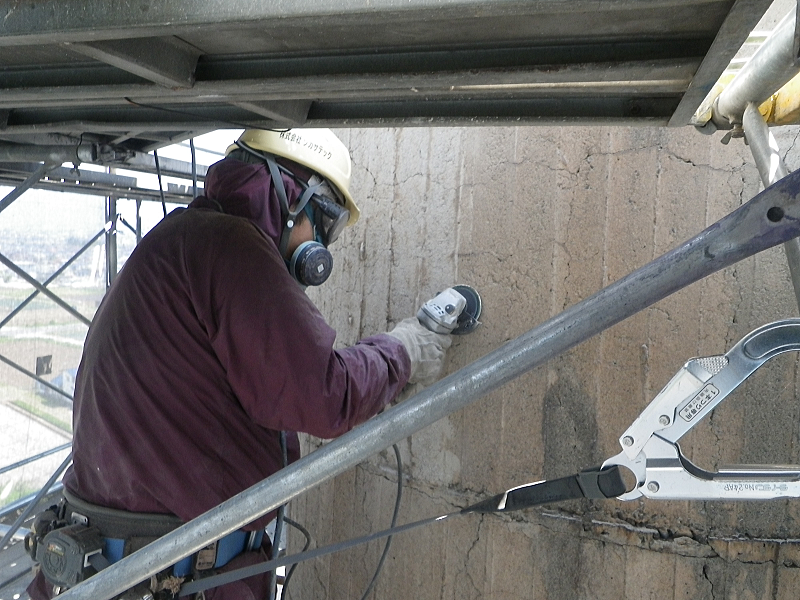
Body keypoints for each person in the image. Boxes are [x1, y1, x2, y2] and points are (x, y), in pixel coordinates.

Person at [27, 128, 453, 600]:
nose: (322, 249)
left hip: (107, 567)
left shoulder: (181, 239)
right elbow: (323, 395)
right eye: (325, 226)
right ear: (295, 199)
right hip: (167, 575)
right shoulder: (233, 247)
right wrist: (404, 351)